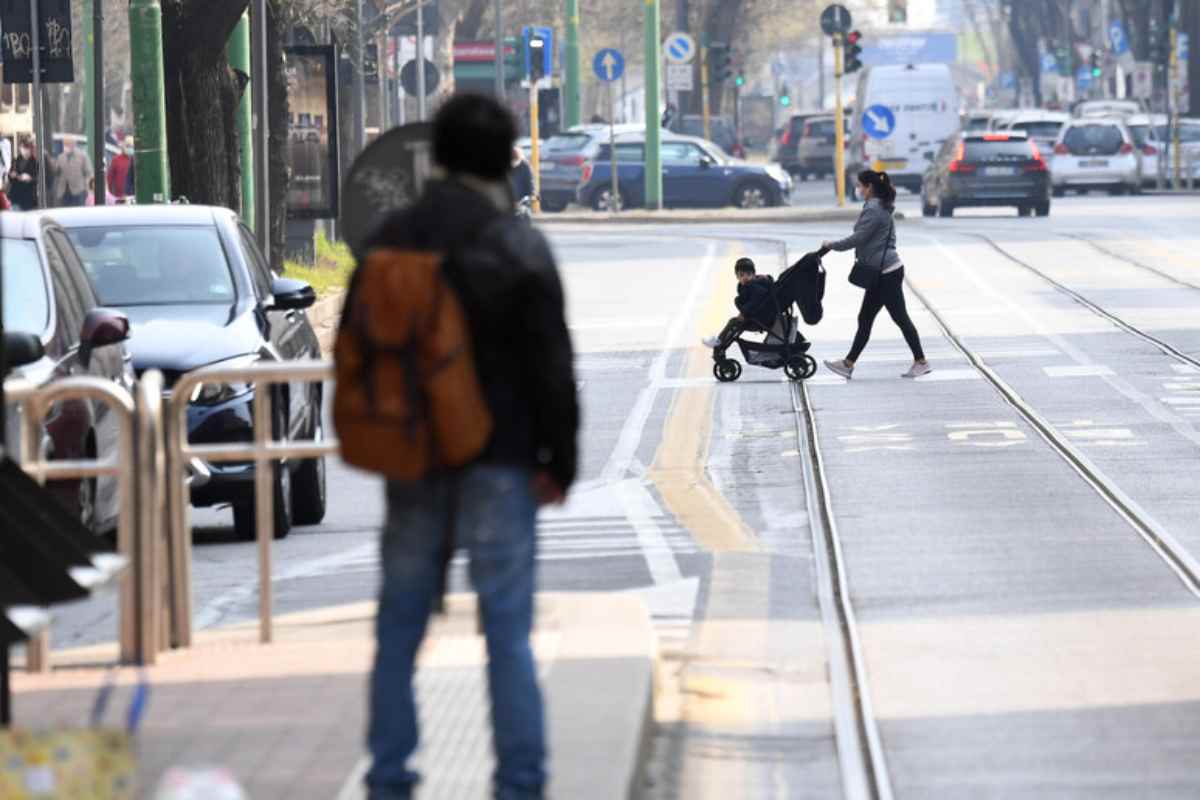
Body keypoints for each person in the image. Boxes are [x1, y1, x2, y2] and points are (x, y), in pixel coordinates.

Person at [359, 93, 579, 800]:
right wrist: (558, 461)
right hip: (503, 460)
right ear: (507, 159)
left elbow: (363, 350)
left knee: (399, 627)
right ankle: (520, 784)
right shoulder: (515, 242)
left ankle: (390, 779)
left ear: (440, 155)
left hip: (415, 458)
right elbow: (552, 364)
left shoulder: (394, 235)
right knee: (506, 631)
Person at [822, 170, 930, 380]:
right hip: (883, 272)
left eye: (860, 186)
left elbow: (858, 237)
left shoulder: (873, 209)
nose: (859, 189)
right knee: (866, 318)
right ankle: (848, 363)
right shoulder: (880, 206)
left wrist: (832, 245)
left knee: (898, 317)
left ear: (869, 187)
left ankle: (921, 361)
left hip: (886, 273)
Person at [701, 257, 775, 350]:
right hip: (757, 316)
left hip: (761, 319)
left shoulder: (754, 285)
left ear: (754, 274)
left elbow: (756, 301)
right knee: (735, 322)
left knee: (734, 323)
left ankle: (720, 342)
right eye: (741, 275)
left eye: (748, 274)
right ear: (737, 277)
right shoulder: (746, 285)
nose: (745, 277)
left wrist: (743, 312)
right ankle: (721, 342)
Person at [54, 135, 94, 207]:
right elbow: (57, 172)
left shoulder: (82, 156)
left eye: (67, 144)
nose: (65, 147)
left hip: (79, 191)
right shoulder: (61, 157)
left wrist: (88, 188)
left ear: (73, 145)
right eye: (64, 144)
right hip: (64, 192)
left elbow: (89, 173)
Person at [9, 137, 39, 210]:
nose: (25, 151)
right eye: (22, 148)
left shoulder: (35, 162)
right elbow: (10, 175)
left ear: (31, 149)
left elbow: (40, 178)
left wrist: (30, 178)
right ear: (20, 149)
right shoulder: (16, 160)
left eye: (27, 148)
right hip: (16, 196)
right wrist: (11, 175)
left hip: (28, 197)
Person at [108, 136, 134, 203]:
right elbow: (110, 178)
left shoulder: (136, 160)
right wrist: (109, 193)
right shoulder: (116, 160)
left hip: (132, 195)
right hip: (119, 196)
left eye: (132, 146)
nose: (130, 148)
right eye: (128, 146)